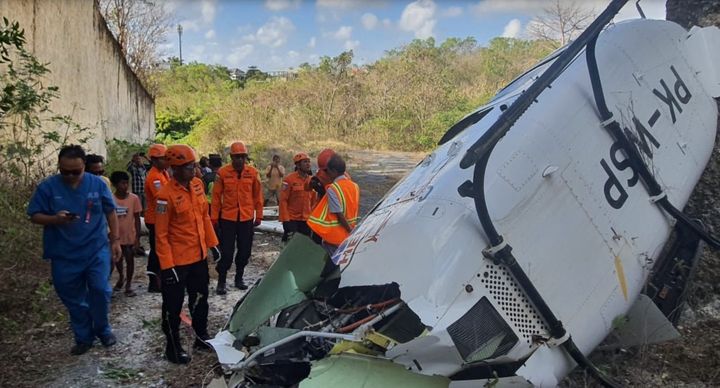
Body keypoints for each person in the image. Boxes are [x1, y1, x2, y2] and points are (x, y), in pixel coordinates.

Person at [27, 145, 122, 355]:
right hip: (64, 254)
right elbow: (34, 215)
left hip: (95, 250)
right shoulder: (48, 187)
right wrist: (54, 219)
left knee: (100, 290)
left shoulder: (97, 184)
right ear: (59, 167)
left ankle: (103, 329)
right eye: (65, 171)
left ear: (84, 167)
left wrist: (115, 241)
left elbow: (111, 212)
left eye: (75, 171)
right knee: (73, 297)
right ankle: (83, 336)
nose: (70, 176)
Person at [155, 144, 219, 364]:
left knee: (201, 300)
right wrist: (167, 265)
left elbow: (204, 218)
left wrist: (213, 244)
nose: (194, 169)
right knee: (172, 306)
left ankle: (201, 338)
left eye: (193, 165)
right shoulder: (165, 196)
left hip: (198, 257)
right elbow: (160, 234)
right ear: (176, 168)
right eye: (189, 166)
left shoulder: (198, 186)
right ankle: (172, 348)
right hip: (177, 262)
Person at [211, 141, 263, 294]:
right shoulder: (222, 173)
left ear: (246, 157)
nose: (239, 160)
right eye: (236, 157)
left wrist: (258, 215)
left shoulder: (253, 173)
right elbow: (216, 197)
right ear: (231, 157)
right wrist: (214, 218)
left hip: (246, 218)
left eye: (242, 157)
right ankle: (221, 280)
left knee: (245, 251)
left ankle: (239, 277)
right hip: (227, 218)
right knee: (226, 252)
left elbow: (257, 196)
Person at [307, 154, 360, 256]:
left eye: (328, 171)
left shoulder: (333, 188)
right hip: (348, 231)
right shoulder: (355, 186)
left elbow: (339, 214)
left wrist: (350, 231)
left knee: (332, 262)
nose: (327, 174)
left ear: (334, 171)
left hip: (335, 235)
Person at [109, 171, 142, 297]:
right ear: (115, 185)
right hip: (116, 235)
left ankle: (129, 284)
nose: (125, 186)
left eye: (126, 183)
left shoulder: (133, 198)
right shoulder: (111, 199)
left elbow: (137, 218)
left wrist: (137, 237)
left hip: (129, 234)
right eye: (122, 183)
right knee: (117, 258)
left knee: (130, 259)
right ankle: (121, 276)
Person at [144, 144, 170, 293]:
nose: (166, 161)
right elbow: (162, 197)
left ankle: (158, 279)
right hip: (155, 220)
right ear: (154, 160)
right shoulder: (154, 177)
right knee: (157, 251)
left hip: (161, 218)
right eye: (163, 159)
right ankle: (154, 282)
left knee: (160, 249)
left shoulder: (163, 173)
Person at [279, 152, 316, 242]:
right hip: (292, 219)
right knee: (291, 244)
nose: (308, 164)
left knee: (304, 244)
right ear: (298, 165)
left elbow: (314, 201)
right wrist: (285, 219)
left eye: (308, 162)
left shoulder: (312, 180)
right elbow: (283, 200)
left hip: (306, 220)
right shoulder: (289, 180)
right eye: (305, 162)